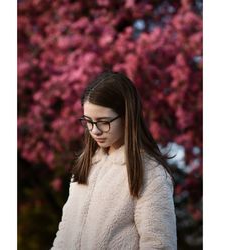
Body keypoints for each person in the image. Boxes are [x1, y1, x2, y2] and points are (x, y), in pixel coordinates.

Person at [51, 71, 177, 250]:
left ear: (127, 116)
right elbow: (65, 232)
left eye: (103, 121)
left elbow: (159, 245)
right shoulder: (86, 164)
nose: (94, 131)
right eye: (88, 121)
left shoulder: (150, 173)